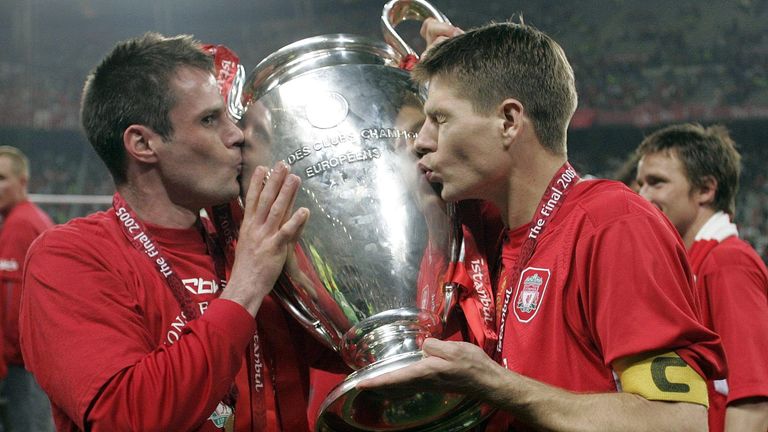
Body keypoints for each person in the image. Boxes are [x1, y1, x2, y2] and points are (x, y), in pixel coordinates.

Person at [358, 19, 727, 431]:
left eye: (440, 120)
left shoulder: (613, 224)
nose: (421, 141)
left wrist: (496, 384)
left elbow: (677, 421)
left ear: (510, 121)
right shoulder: (489, 235)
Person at [17, 32, 327, 431]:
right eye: (210, 119)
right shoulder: (69, 258)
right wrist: (247, 285)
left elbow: (345, 353)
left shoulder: (244, 241)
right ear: (143, 143)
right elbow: (128, 417)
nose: (237, 136)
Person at [635, 123, 768, 432]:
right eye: (641, 184)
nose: (641, 195)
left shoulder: (727, 263)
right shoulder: (692, 265)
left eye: (656, 183)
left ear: (706, 190)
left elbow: (753, 401)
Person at [0, 145, 55, 432]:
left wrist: (6, 359)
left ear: (22, 182)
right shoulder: (33, 218)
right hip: (35, 360)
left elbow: (11, 306)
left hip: (20, 365)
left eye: (2, 178)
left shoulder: (19, 225)